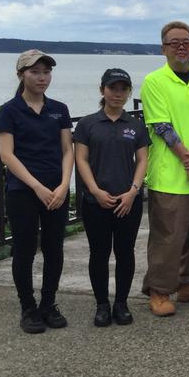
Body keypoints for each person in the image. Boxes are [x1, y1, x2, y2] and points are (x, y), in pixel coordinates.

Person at [141, 21, 189, 316]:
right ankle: (160, 290)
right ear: (163, 49)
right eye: (174, 42)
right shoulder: (154, 81)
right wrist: (188, 159)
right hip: (169, 175)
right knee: (167, 236)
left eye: (186, 41)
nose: (181, 47)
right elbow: (161, 126)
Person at [0, 50, 73, 333]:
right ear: (21, 75)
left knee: (54, 247)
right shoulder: (10, 110)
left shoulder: (59, 109)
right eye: (35, 72)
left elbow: (68, 149)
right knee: (25, 249)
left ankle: (48, 304)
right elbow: (8, 155)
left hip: (56, 190)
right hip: (23, 191)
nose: (42, 77)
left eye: (46, 72)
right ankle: (28, 307)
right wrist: (38, 187)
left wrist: (64, 184)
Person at [74, 68, 148, 327]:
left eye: (123, 89)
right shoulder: (87, 124)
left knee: (125, 252)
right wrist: (93, 190)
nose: (117, 94)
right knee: (99, 253)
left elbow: (142, 161)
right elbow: (80, 159)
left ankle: (121, 303)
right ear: (102, 90)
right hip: (96, 201)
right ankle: (102, 305)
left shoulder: (135, 125)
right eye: (112, 88)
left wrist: (133, 191)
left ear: (128, 92)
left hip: (128, 200)